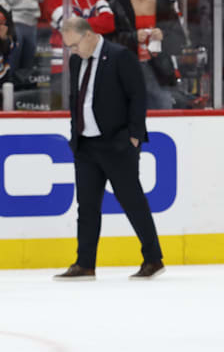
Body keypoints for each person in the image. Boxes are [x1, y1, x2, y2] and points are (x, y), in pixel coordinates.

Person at [53, 17, 164, 281]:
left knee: (132, 201)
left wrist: (134, 137)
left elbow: (138, 96)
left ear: (89, 35)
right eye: (69, 46)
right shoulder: (76, 60)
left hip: (117, 143)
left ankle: (153, 258)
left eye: (75, 44)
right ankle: (85, 263)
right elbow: (75, 100)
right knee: (87, 206)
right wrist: (74, 136)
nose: (73, 50)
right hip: (86, 145)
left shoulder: (119, 56)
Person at [109, 0, 186, 109]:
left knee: (163, 105)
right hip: (127, 69)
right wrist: (133, 37)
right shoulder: (118, 2)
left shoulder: (163, 0)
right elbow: (109, 40)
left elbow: (179, 40)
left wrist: (163, 35)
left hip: (159, 71)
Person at [43, 0, 114, 83]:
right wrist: (95, 21)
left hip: (93, 63)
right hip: (64, 66)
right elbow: (72, 29)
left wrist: (83, 23)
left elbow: (109, 22)